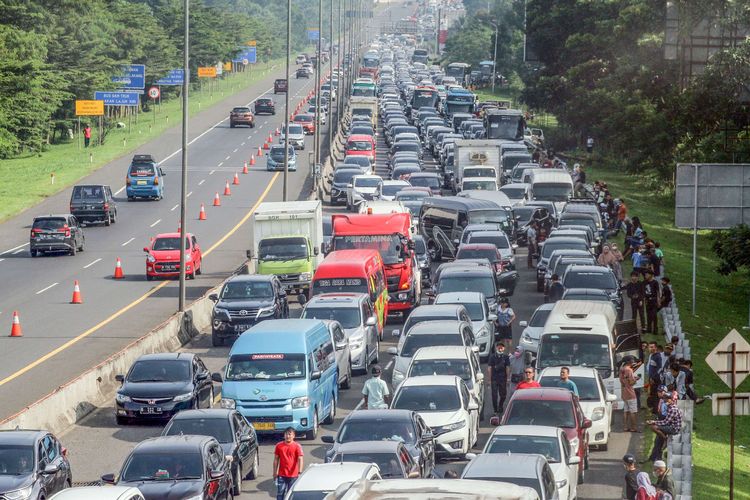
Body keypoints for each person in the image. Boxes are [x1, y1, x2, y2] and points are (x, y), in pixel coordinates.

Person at [645, 391, 682, 463]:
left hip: (674, 429)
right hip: (669, 426)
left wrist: (653, 422)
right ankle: (656, 458)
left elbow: (666, 421)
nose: (665, 400)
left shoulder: (672, 409)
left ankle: (665, 439)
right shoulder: (669, 406)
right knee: (658, 440)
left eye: (667, 399)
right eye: (665, 398)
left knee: (654, 427)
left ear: (671, 399)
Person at [273, 427, 304, 500]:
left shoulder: (297, 446)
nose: (288, 436)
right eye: (286, 434)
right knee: (280, 494)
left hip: (293, 475)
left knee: (291, 495)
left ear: (293, 436)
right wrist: (275, 472)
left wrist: (300, 472)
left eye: (290, 434)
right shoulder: (279, 446)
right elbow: (276, 460)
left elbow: (300, 459)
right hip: (281, 475)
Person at [487, 342, 511, 415]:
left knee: (503, 395)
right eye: (499, 347)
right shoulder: (492, 357)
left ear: (504, 348)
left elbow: (507, 367)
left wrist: (508, 378)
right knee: (494, 395)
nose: (500, 348)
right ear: (496, 348)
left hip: (503, 378)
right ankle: (495, 410)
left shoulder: (506, 357)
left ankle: (500, 405)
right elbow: (489, 368)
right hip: (494, 378)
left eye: (502, 347)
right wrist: (489, 379)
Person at [619, 356, 640, 432]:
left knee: (626, 411)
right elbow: (631, 382)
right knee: (633, 411)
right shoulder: (629, 370)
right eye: (632, 361)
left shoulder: (621, 369)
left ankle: (625, 427)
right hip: (630, 393)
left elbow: (622, 381)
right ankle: (633, 428)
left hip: (624, 392)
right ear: (629, 362)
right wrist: (635, 379)